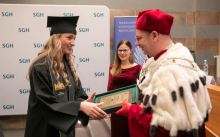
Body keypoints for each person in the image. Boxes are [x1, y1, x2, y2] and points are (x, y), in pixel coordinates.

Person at [116, 9, 212, 137]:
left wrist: (132, 111)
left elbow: (165, 128)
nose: (136, 43)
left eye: (139, 38)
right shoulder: (172, 59)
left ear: (154, 36)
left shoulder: (171, 70)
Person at [24, 16, 107, 137]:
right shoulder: (40, 66)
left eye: (74, 38)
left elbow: (78, 93)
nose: (73, 43)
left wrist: (85, 103)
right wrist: (79, 106)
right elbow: (47, 104)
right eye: (69, 37)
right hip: (44, 130)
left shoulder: (67, 65)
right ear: (56, 38)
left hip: (65, 131)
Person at [107, 39, 142, 137]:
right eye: (120, 50)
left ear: (131, 51)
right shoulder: (112, 68)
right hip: (116, 110)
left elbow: (141, 91)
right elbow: (110, 88)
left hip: (132, 109)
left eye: (125, 50)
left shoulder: (138, 68)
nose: (122, 53)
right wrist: (109, 109)